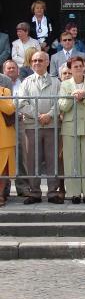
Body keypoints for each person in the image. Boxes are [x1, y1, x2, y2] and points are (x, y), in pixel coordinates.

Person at [18, 50, 63, 204]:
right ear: (31, 64)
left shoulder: (56, 82)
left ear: (47, 62)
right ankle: (35, 193)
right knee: (32, 160)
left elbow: (61, 102)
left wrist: (49, 115)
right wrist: (38, 115)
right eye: (34, 61)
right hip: (32, 126)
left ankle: (52, 193)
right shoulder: (26, 82)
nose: (37, 63)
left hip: (51, 125)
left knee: (52, 160)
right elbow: (22, 103)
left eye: (40, 60)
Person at [59, 56, 85, 204]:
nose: (79, 68)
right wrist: (73, 98)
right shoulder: (65, 84)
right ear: (70, 69)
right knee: (71, 161)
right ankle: (74, 193)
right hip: (70, 126)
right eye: (75, 66)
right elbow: (62, 106)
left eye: (81, 66)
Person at [2, 60, 30, 197]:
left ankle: (22, 186)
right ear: (4, 69)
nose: (11, 70)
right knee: (4, 158)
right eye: (8, 68)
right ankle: (4, 189)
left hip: (19, 121)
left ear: (18, 70)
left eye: (14, 68)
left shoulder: (23, 83)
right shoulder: (4, 81)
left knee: (21, 154)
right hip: (4, 123)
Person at [0, 78, 16, 207]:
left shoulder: (5, 91)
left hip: (5, 138)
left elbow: (10, 109)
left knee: (4, 169)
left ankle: (0, 195)